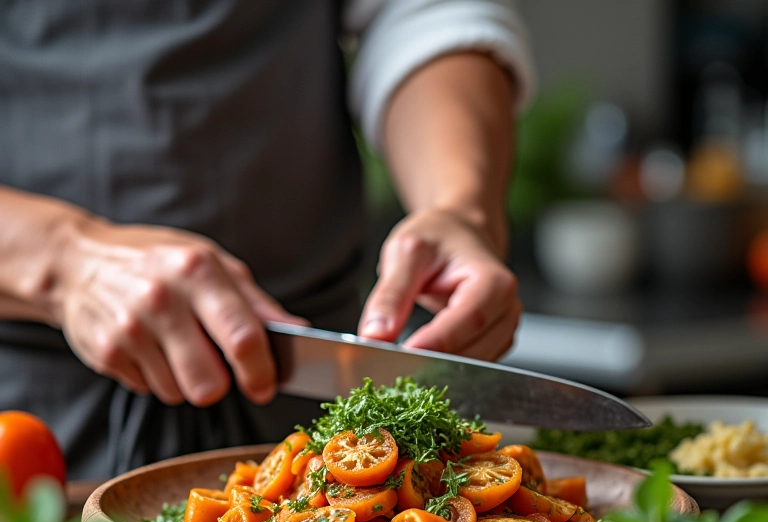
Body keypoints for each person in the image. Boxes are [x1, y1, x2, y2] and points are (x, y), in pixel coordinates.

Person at [0, 0, 534, 480]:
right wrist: (68, 260)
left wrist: (460, 205)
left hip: (307, 407)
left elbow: (425, 14)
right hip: (29, 432)